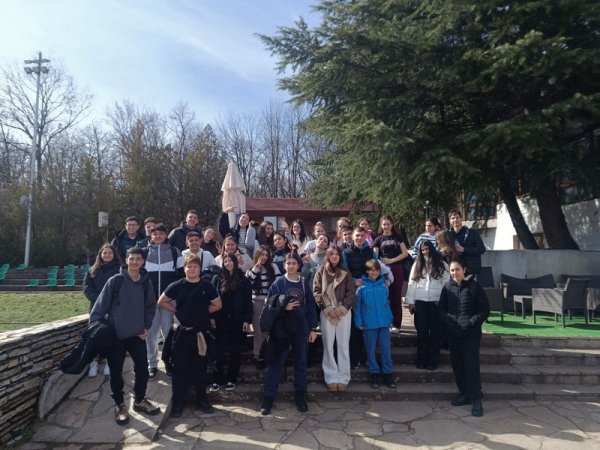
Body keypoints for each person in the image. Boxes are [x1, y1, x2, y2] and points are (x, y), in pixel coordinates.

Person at [90, 247, 160, 425]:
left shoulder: (145, 282)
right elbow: (99, 307)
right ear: (126, 260)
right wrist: (95, 330)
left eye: (138, 259)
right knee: (116, 371)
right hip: (116, 335)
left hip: (137, 335)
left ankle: (140, 400)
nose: (135, 262)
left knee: (142, 369)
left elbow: (150, 307)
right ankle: (120, 404)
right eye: (131, 258)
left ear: (143, 262)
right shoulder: (115, 281)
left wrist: (146, 326)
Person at [157, 254, 222, 417]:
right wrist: (177, 311)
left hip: (200, 334)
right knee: (179, 369)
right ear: (184, 268)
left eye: (195, 266)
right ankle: (178, 403)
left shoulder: (206, 286)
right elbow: (161, 302)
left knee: (200, 369)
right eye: (189, 266)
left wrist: (203, 313)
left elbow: (217, 304)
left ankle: (202, 401)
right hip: (181, 334)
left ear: (199, 269)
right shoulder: (177, 285)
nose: (192, 269)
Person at [259, 253, 318, 415]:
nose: (291, 266)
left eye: (294, 263)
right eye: (288, 263)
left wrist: (313, 328)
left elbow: (310, 305)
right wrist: (284, 307)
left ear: (298, 265)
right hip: (282, 328)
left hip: (301, 327)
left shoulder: (304, 282)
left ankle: (300, 395)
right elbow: (269, 304)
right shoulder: (279, 283)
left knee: (301, 362)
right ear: (284, 265)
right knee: (276, 364)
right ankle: (268, 398)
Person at [439, 258, 490, 417]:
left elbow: (484, 310)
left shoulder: (475, 287)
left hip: (470, 335)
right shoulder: (447, 287)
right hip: (453, 334)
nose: (455, 273)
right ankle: (464, 394)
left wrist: (471, 322)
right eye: (452, 270)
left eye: (457, 269)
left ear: (464, 270)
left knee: (471, 366)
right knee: (458, 366)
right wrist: (449, 322)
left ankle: (476, 400)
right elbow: (441, 309)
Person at [144, 224, 184, 379]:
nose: (158, 236)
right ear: (151, 235)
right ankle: (152, 364)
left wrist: (176, 297)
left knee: (168, 334)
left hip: (169, 301)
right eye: (155, 234)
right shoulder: (144, 252)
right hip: (150, 302)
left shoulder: (174, 251)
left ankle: (168, 362)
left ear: (166, 235)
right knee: (151, 335)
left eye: (161, 233)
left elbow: (181, 276)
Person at [313, 247, 355, 391]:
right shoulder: (320, 272)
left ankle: (344, 377)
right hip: (327, 313)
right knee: (328, 345)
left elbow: (351, 292)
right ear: (328, 256)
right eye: (332, 254)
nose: (335, 256)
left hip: (343, 312)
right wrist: (328, 309)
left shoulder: (346, 272)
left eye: (337, 254)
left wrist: (342, 308)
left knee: (343, 346)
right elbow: (316, 292)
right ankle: (330, 376)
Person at [209, 253, 252, 392]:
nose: (228, 263)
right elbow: (211, 300)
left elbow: (247, 301)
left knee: (235, 350)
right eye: (225, 261)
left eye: (230, 261)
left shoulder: (243, 279)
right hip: (220, 319)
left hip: (237, 320)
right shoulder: (217, 279)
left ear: (235, 262)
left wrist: (247, 320)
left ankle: (231, 379)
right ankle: (217, 379)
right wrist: (211, 317)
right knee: (219, 350)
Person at [405, 240, 450, 371]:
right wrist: (410, 301)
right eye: (423, 250)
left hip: (436, 301)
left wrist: (443, 300)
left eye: (427, 249)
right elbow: (412, 283)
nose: (425, 252)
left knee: (435, 332)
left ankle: (433, 361)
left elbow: (446, 283)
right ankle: (421, 359)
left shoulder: (442, 264)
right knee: (422, 332)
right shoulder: (417, 264)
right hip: (420, 301)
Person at [354, 259, 396, 390]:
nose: (375, 272)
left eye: (377, 270)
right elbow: (357, 306)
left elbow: (387, 303)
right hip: (369, 323)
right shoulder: (361, 287)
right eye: (372, 270)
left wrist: (390, 319)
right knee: (370, 350)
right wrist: (359, 321)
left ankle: (388, 374)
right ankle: (374, 373)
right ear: (367, 271)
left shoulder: (384, 285)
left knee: (386, 349)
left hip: (384, 323)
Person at [82, 243, 120, 377]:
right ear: (100, 255)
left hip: (113, 308)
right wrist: (99, 299)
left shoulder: (119, 270)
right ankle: (94, 362)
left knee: (111, 335)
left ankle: (110, 361)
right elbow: (87, 287)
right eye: (105, 253)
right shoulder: (92, 270)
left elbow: (121, 288)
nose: (107, 255)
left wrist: (109, 300)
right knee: (94, 335)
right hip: (96, 308)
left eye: (110, 253)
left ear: (114, 255)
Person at [373, 215, 410, 332]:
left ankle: (396, 324)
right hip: (383, 270)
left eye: (388, 224)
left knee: (396, 297)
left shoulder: (398, 237)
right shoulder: (378, 239)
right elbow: (375, 257)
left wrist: (392, 260)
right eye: (384, 224)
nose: (386, 226)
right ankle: (385, 322)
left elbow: (405, 253)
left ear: (392, 224)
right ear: (381, 225)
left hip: (397, 268)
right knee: (384, 296)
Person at [246, 245, 281, 368]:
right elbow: (247, 284)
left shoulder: (273, 267)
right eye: (262, 254)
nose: (264, 257)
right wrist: (256, 269)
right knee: (258, 331)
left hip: (271, 302)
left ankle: (271, 355)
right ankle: (258, 355)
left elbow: (278, 284)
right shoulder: (251, 269)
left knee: (271, 330)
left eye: (266, 255)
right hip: (257, 302)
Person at [448, 209, 486, 276]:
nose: (455, 220)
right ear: (450, 220)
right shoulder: (447, 235)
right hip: (454, 272)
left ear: (461, 219)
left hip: (471, 271)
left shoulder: (472, 233)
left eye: (457, 217)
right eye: (453, 218)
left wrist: (464, 249)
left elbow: (481, 249)